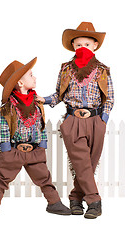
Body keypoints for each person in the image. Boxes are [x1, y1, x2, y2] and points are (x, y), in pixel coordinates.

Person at [37, 22, 114, 219]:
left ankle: (75, 197)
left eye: (87, 45)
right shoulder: (66, 69)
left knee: (89, 163)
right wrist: (43, 100)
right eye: (78, 45)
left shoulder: (103, 70)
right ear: (73, 46)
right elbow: (58, 95)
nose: (82, 48)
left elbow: (110, 98)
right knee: (81, 161)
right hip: (73, 119)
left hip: (96, 120)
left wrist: (103, 121)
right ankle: (94, 201)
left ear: (95, 46)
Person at [0, 57, 71, 218]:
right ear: (20, 83)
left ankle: (54, 203)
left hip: (34, 150)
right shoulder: (8, 107)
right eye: (31, 75)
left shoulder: (37, 103)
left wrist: (42, 144)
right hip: (14, 150)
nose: (34, 77)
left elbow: (41, 124)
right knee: (2, 178)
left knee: (44, 177)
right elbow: (4, 128)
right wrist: (6, 150)